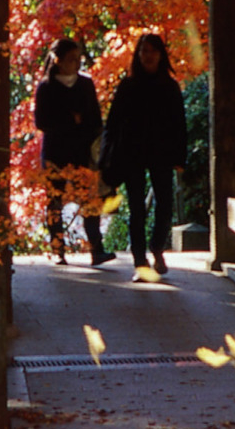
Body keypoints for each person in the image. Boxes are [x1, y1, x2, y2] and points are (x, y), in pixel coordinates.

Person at [99, 33, 187, 279]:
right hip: (131, 152)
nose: (148, 56)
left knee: (165, 204)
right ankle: (140, 261)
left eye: (153, 51)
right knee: (137, 208)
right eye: (144, 51)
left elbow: (179, 124)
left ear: (161, 55)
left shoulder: (169, 86)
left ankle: (157, 247)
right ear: (138, 56)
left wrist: (180, 157)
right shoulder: (128, 86)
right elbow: (113, 124)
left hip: (161, 152)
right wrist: (106, 157)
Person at [33, 38, 114, 265]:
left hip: (82, 151)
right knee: (55, 202)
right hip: (55, 152)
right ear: (58, 61)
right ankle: (58, 250)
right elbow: (41, 122)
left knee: (90, 201)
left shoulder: (86, 85)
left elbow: (96, 121)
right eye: (71, 59)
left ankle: (96, 249)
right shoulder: (46, 87)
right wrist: (71, 120)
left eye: (78, 58)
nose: (76, 63)